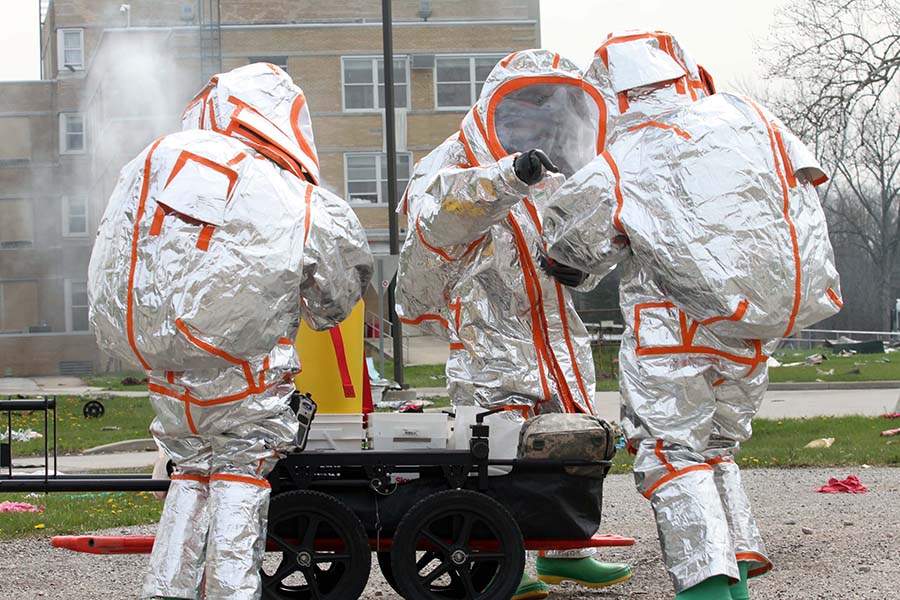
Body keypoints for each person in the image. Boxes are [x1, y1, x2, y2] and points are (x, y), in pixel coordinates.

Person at [542, 31, 842, 600]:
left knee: (671, 456)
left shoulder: (624, 157)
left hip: (671, 334)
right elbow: (801, 196)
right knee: (716, 450)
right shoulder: (747, 115)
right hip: (755, 329)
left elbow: (570, 256)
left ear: (608, 95)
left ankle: (706, 592)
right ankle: (738, 582)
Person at [88, 63, 373, 599]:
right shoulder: (291, 193)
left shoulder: (156, 164)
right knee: (240, 484)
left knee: (190, 475)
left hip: (166, 373)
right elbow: (335, 302)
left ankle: (167, 591)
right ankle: (232, 592)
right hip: (244, 375)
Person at [395, 48, 632, 600]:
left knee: (567, 432)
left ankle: (564, 549)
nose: (531, 123)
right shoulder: (455, 156)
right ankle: (500, 554)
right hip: (485, 329)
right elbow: (438, 217)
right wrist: (508, 175)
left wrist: (578, 269)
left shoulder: (558, 166)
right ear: (496, 108)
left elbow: (585, 235)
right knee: (495, 445)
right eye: (520, 109)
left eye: (543, 111)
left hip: (554, 332)